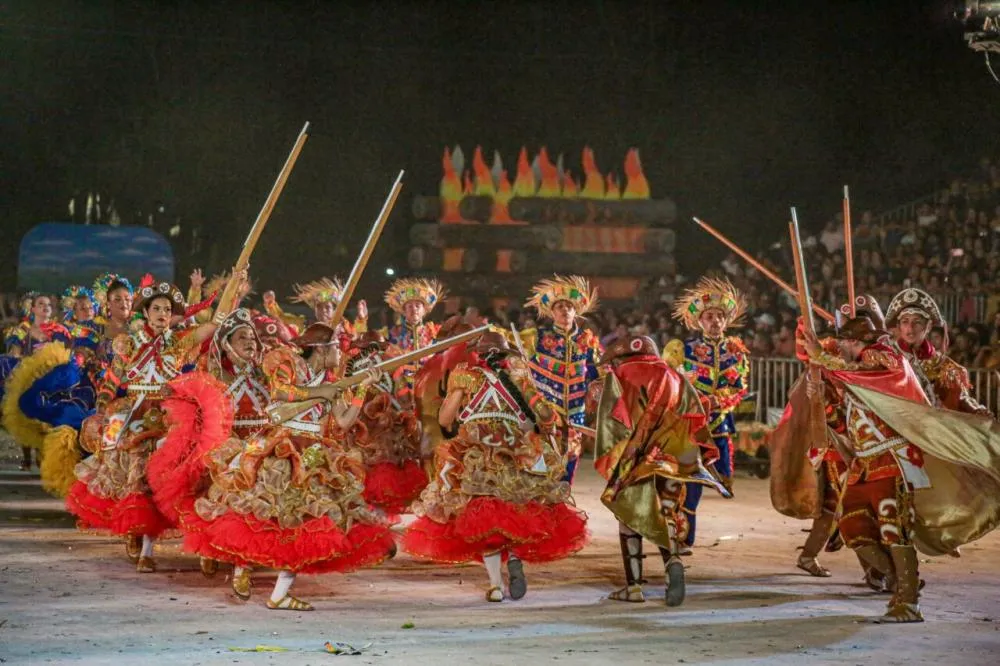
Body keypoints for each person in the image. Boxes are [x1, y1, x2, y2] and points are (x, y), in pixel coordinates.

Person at [162, 321, 394, 610]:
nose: (341, 351)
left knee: (305, 523)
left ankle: (279, 593)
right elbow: (281, 393)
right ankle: (244, 570)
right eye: (337, 346)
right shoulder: (292, 364)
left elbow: (345, 422)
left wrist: (360, 389)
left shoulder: (330, 378)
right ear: (321, 350)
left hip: (312, 454)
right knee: (257, 515)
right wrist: (319, 391)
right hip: (280, 448)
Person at [66, 274, 237, 572]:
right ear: (145, 312)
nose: (162, 314)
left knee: (192, 473)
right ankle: (138, 537)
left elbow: (216, 322)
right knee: (133, 473)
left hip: (173, 418)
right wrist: (102, 411)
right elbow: (111, 383)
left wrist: (233, 283)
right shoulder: (128, 345)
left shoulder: (180, 342)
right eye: (157, 309)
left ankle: (205, 545)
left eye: (167, 311)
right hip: (133, 416)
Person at [403, 330, 588, 602]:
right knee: (515, 510)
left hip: (478, 450)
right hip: (516, 449)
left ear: (478, 354)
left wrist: (458, 394)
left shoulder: (466, 375)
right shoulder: (519, 377)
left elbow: (444, 419)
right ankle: (513, 556)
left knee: (483, 517)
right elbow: (545, 418)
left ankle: (495, 585)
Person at [594, 335, 730, 606]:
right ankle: (673, 564)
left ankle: (633, 588)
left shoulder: (619, 376)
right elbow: (697, 412)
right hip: (675, 457)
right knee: (667, 512)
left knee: (629, 516)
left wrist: (616, 461)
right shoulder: (675, 375)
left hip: (637, 458)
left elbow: (612, 426)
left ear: (621, 358)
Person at [672, 277, 749, 550]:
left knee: (723, 476)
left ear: (726, 321)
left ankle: (718, 476)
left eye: (719, 316)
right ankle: (683, 537)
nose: (715, 320)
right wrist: (685, 384)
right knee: (691, 483)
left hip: (720, 421)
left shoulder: (736, 352)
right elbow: (668, 381)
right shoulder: (685, 349)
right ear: (699, 321)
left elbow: (739, 387)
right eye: (709, 316)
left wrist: (719, 400)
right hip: (691, 423)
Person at [521, 276, 602, 484]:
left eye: (568, 306)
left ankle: (561, 506)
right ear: (552, 312)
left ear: (575, 311)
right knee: (540, 464)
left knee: (569, 463)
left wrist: (597, 389)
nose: (564, 310)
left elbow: (597, 374)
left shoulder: (587, 341)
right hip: (543, 410)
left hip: (575, 413)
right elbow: (514, 356)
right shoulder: (536, 337)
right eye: (559, 307)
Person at [886, 287, 991, 414]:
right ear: (899, 326)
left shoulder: (940, 363)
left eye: (917, 322)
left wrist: (975, 409)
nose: (910, 328)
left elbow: (959, 397)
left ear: (928, 326)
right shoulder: (886, 357)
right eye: (905, 322)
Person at [2, 292, 71, 470]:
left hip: (50, 380)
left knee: (46, 418)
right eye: (40, 304)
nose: (45, 307)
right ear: (32, 309)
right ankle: (26, 457)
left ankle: (44, 455)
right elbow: (14, 353)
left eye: (48, 304)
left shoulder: (59, 331)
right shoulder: (22, 331)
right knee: (25, 416)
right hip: (28, 377)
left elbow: (65, 353)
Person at [261, 277, 367, 337]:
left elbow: (359, 338)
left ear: (334, 310)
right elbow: (281, 319)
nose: (323, 310)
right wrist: (271, 304)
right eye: (319, 307)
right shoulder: (305, 325)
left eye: (328, 307)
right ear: (315, 309)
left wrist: (361, 319)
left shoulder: (344, 327)